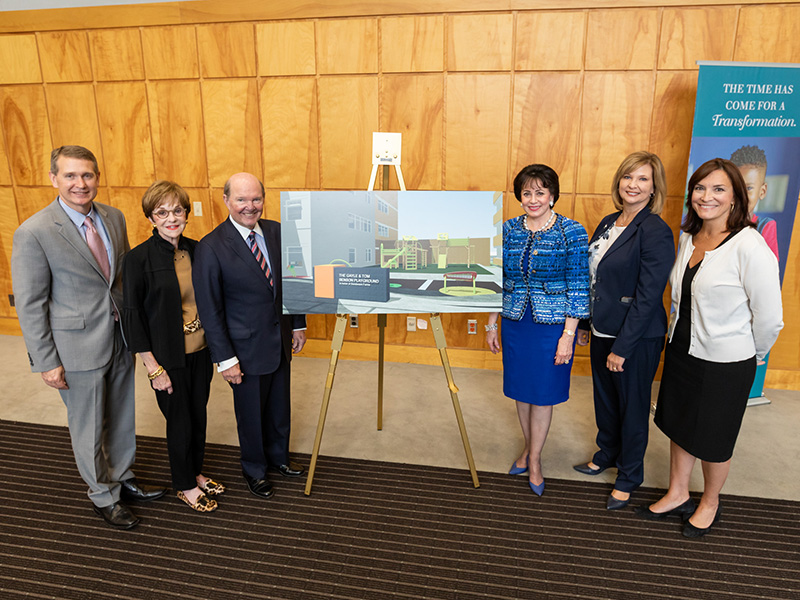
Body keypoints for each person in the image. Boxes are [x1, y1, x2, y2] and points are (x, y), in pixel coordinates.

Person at [11, 145, 165, 530]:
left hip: (119, 336)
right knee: (89, 424)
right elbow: (31, 304)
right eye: (70, 176)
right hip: (75, 347)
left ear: (97, 177)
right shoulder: (34, 232)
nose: (81, 184)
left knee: (122, 414)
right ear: (54, 179)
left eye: (87, 175)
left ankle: (123, 476)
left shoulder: (113, 217)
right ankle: (103, 495)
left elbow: (123, 280)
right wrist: (46, 361)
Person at [637, 158, 783, 538]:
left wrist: (756, 353)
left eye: (719, 189)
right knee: (678, 423)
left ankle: (710, 501)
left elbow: (769, 317)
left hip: (727, 361)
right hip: (682, 349)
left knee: (715, 438)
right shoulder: (689, 237)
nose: (707, 196)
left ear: (736, 197)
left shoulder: (750, 246)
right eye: (700, 188)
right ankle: (677, 491)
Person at [193, 172, 307, 500]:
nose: (249, 206)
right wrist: (224, 359)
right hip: (242, 350)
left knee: (279, 406)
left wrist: (297, 323)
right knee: (251, 415)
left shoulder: (276, 231)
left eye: (256, 198)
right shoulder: (211, 247)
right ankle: (254, 469)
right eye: (241, 199)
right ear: (226, 201)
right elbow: (210, 311)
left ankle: (279, 458)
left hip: (279, 339)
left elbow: (293, 281)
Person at [573, 152, 675, 511]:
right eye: (628, 177)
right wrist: (586, 324)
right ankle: (607, 454)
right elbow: (594, 278)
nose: (633, 185)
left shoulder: (655, 231)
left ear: (654, 188)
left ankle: (629, 476)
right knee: (605, 399)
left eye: (643, 179)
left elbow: (649, 296)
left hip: (635, 337)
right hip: (601, 328)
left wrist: (623, 347)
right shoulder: (607, 222)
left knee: (632, 407)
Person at [486, 164, 589, 496]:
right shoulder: (507, 230)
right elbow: (495, 281)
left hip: (552, 326)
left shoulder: (572, 232)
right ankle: (529, 451)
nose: (533, 199)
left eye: (540, 192)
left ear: (552, 195)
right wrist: (491, 324)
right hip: (516, 322)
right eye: (527, 193)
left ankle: (536, 458)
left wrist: (568, 335)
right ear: (520, 196)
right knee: (521, 390)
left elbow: (578, 285)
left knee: (543, 394)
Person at [122, 181, 224, 513]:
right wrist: (153, 368)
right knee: (179, 422)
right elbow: (133, 317)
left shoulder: (197, 250)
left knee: (198, 416)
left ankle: (194, 472)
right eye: (162, 212)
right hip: (167, 359)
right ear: (151, 217)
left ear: (186, 213)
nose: (171, 218)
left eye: (177, 210)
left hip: (200, 351)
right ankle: (183, 485)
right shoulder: (137, 259)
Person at [729, 145, 779, 260]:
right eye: (736, 186)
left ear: (762, 191)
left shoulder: (764, 226)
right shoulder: (718, 222)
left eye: (748, 188)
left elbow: (769, 270)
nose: (741, 194)